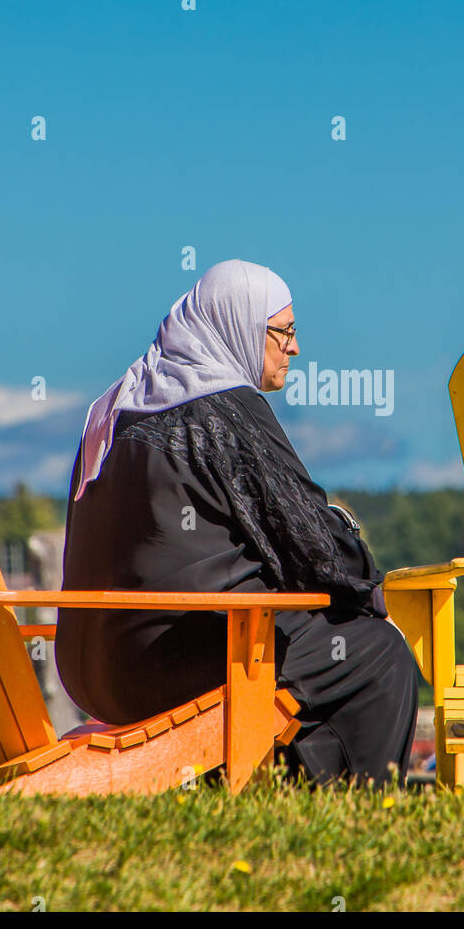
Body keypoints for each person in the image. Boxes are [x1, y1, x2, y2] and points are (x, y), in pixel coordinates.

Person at [55, 259, 422, 786]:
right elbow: (315, 545)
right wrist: (367, 584)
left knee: (323, 660)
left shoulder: (113, 407)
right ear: (240, 327)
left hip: (92, 667)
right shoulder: (223, 407)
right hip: (175, 659)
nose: (294, 348)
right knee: (377, 651)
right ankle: (368, 814)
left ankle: (286, 804)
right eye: (284, 332)